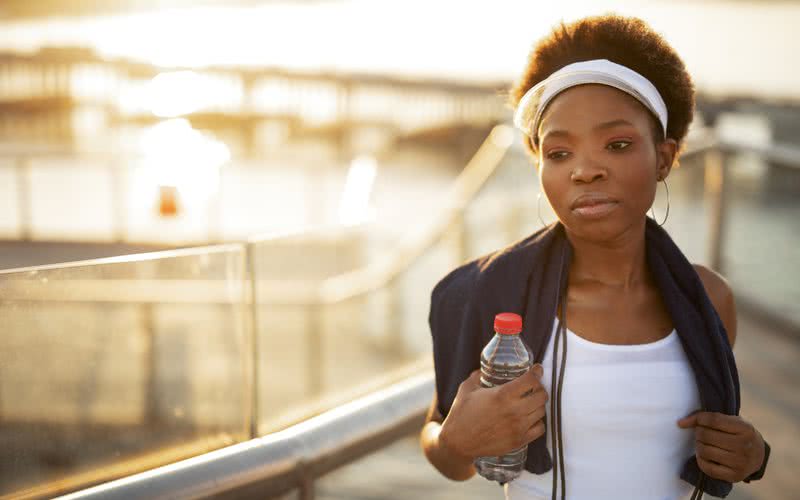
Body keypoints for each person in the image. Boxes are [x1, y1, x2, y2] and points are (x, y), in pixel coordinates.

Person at [420, 14, 769, 500]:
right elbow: (444, 453)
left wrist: (753, 456)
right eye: (560, 153)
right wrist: (456, 441)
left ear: (664, 157)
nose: (585, 170)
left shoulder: (710, 298)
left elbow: (723, 442)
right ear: (541, 167)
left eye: (618, 144)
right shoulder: (494, 295)